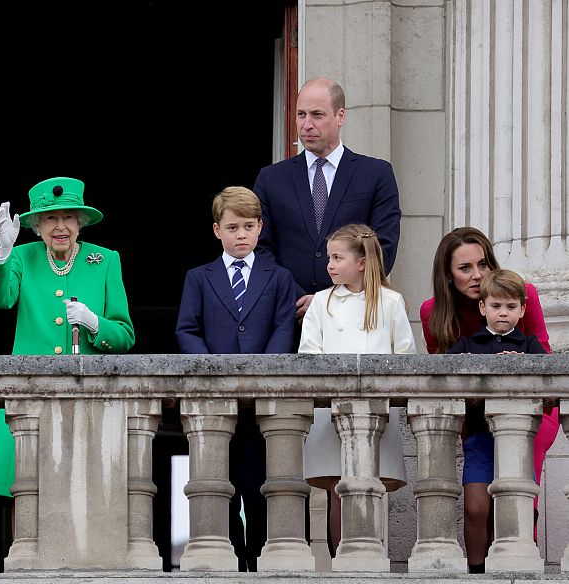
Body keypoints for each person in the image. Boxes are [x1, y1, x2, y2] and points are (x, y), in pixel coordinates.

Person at [0, 176, 135, 567]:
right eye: (50, 219)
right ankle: (25, 567)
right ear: (36, 226)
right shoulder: (22, 257)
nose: (60, 226)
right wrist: (2, 251)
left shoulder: (105, 260)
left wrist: (95, 323)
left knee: (85, 494)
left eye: (68, 217)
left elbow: (125, 335)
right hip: (29, 397)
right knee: (25, 491)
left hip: (86, 400)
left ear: (81, 222)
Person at [419, 227, 555, 573]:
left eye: (482, 264)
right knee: (479, 501)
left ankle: (519, 563)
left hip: (532, 412)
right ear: (447, 275)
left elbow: (546, 359)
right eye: (465, 268)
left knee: (521, 491)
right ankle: (480, 570)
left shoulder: (524, 295)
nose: (477, 275)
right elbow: (443, 380)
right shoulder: (433, 312)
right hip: (476, 417)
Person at [176, 186, 296, 570]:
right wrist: (213, 371)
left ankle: (260, 561)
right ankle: (228, 561)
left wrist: (263, 375)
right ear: (217, 231)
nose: (240, 234)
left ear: (260, 227)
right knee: (218, 486)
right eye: (232, 227)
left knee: (259, 486)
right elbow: (187, 329)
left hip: (263, 407)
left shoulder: (278, 277)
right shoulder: (199, 277)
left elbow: (283, 329)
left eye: (248, 226)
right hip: (216, 406)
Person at [298, 224, 414, 556]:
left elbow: (406, 356)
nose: (329, 265)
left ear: (361, 262)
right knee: (337, 488)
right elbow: (309, 355)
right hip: (330, 411)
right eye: (329, 258)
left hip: (376, 413)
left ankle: (371, 559)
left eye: (337, 257)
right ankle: (340, 564)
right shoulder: (322, 302)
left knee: (371, 486)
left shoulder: (391, 302)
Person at [253, 78, 401, 322]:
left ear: (340, 116)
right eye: (301, 114)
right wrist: (297, 298)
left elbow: (383, 246)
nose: (306, 125)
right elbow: (260, 247)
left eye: (317, 115)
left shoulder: (375, 174)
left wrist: (331, 299)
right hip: (289, 317)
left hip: (354, 317)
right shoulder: (271, 179)